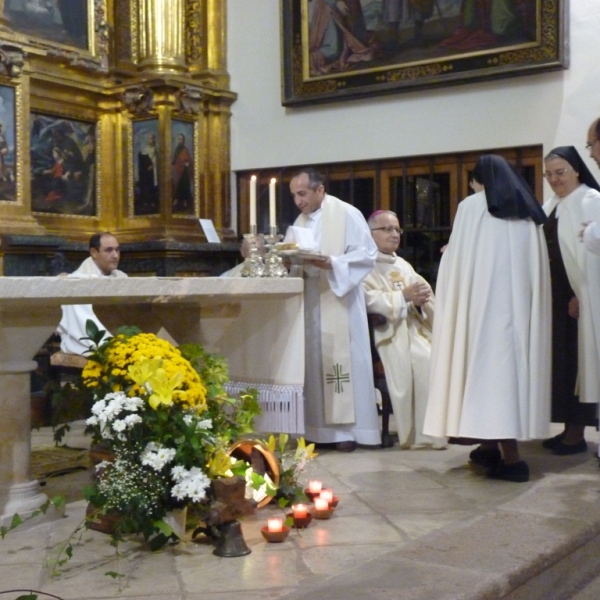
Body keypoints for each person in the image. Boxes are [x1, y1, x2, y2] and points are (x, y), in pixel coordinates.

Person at [423, 154, 551, 482]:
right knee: (505, 379)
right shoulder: (527, 212)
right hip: (517, 314)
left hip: (481, 312)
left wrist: (449, 256)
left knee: (484, 379)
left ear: (480, 180)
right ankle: (490, 448)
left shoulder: (471, 207)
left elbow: (460, 259)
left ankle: (511, 459)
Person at [288, 168, 380, 452]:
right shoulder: (300, 221)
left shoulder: (347, 214)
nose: (298, 201)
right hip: (312, 302)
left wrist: (333, 263)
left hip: (340, 301)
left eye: (302, 194)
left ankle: (348, 432)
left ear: (320, 189)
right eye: (294, 195)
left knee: (342, 367)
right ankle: (319, 430)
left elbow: (367, 255)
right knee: (315, 365)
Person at [363, 209, 445, 449]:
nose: (394, 234)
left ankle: (441, 430)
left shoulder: (403, 264)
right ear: (370, 234)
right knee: (426, 360)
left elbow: (423, 294)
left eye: (397, 229)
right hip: (391, 332)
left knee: (443, 356)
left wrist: (422, 300)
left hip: (415, 327)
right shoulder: (365, 265)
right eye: (387, 229)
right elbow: (367, 300)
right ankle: (423, 435)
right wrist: (402, 297)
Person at [541, 147, 600, 455]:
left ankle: (577, 433)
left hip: (579, 295)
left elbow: (592, 254)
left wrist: (580, 293)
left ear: (577, 169)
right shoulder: (552, 204)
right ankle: (566, 426)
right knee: (561, 364)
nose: (554, 179)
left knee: (578, 362)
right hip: (555, 296)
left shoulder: (590, 199)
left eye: (560, 172)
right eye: (548, 174)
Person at [57, 232, 127, 355]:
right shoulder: (77, 284)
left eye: (117, 250)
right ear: (94, 253)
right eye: (109, 250)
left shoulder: (122, 277)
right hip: (102, 346)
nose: (115, 255)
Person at [309, 0, 374, 76]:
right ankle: (311, 59)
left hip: (351, 6)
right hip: (330, 9)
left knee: (360, 43)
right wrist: (336, 3)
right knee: (333, 51)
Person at [137, 132, 159, 214]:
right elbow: (141, 165)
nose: (151, 140)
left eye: (152, 138)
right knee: (147, 188)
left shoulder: (156, 150)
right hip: (146, 175)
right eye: (149, 138)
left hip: (155, 173)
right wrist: (147, 168)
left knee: (154, 188)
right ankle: (146, 203)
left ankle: (153, 203)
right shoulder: (143, 151)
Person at [172, 133, 193, 213]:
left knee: (185, 186)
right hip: (178, 171)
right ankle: (176, 201)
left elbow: (188, 160)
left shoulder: (185, 149)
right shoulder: (177, 149)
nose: (180, 140)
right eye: (179, 139)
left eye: (181, 139)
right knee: (178, 186)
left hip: (185, 171)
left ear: (183, 140)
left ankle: (185, 202)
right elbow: (174, 160)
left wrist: (187, 163)